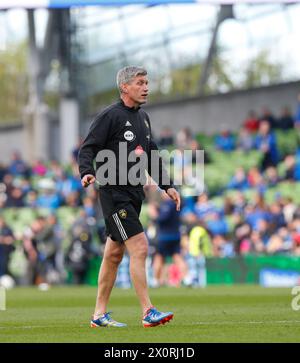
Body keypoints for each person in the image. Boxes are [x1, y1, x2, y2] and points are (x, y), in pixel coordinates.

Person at [78, 66, 181, 328]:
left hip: (134, 194)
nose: (146, 87)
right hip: (114, 193)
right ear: (125, 87)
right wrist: (87, 172)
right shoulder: (110, 116)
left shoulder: (143, 117)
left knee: (113, 255)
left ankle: (98, 315)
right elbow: (88, 147)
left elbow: (151, 154)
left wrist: (167, 185)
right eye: (140, 82)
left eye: (147, 82)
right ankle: (148, 311)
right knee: (140, 247)